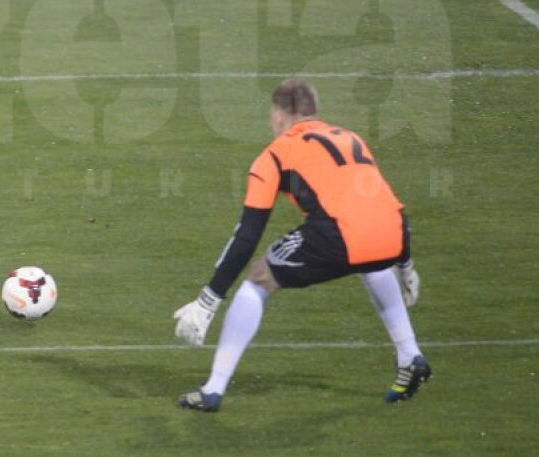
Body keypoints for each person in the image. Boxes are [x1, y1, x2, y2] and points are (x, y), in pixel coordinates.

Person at [172, 78, 429, 412]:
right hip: (393, 232)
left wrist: (208, 300)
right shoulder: (351, 138)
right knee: (373, 261)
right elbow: (384, 203)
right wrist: (406, 264)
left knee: (259, 278)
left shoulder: (274, 156)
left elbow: (247, 236)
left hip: (341, 235)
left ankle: (213, 389)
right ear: (315, 111)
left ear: (279, 115)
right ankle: (410, 355)